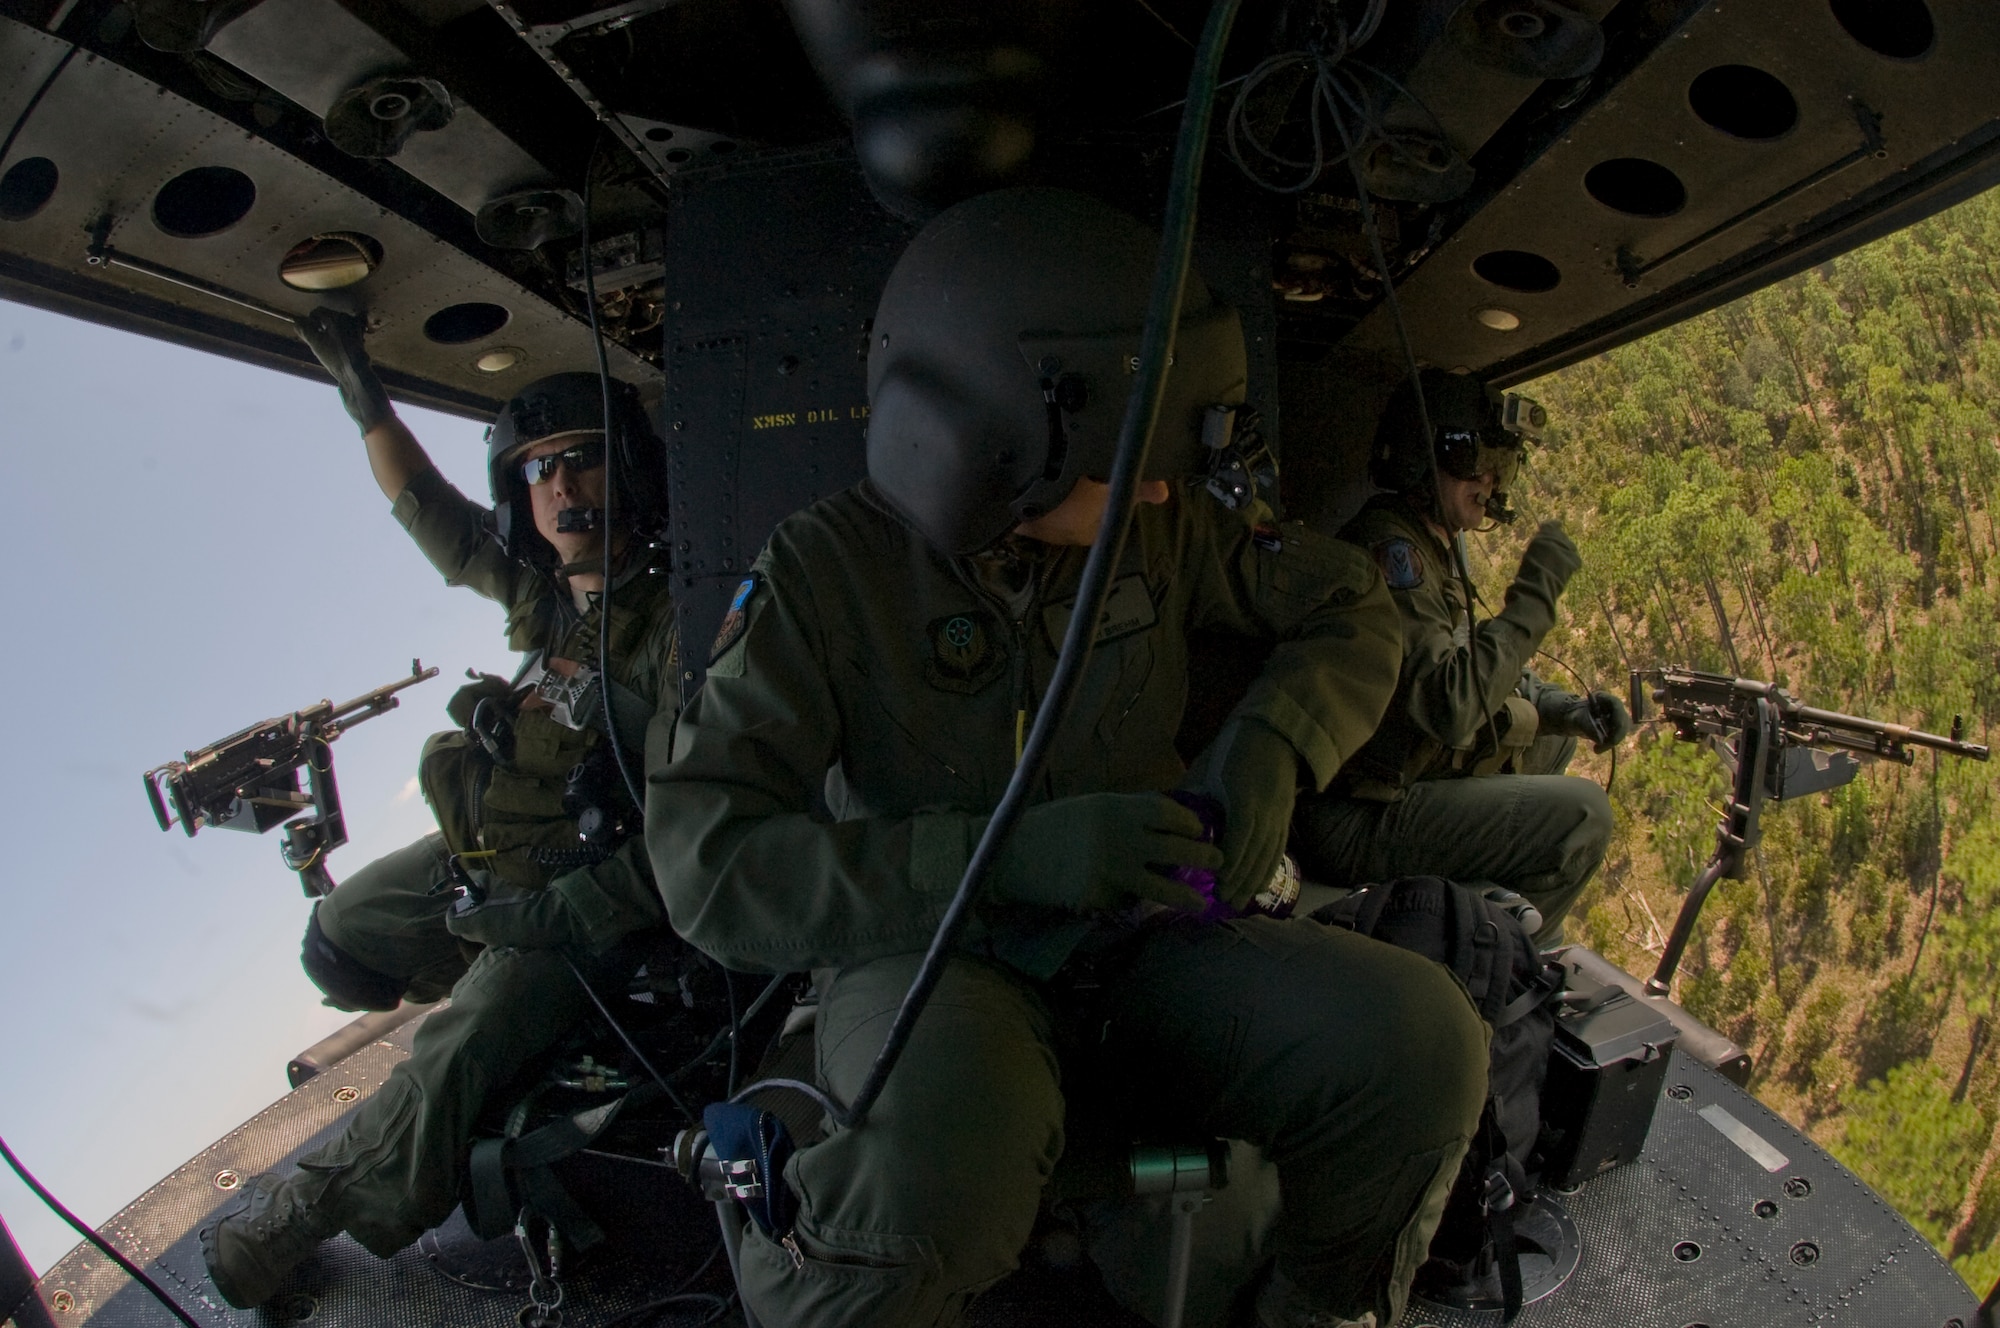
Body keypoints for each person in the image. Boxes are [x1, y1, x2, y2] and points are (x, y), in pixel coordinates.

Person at [649, 189, 1487, 1328]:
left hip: (1141, 936)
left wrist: (1275, 744)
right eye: (1125, 456)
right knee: (932, 1175)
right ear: (996, 438)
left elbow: (1349, 602)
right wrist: (997, 859)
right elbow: (709, 863)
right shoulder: (823, 573)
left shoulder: (1165, 524)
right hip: (936, 956)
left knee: (1416, 1040)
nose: (1154, 484)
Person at [200, 311, 680, 1308]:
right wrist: (360, 389)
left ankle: (310, 1202)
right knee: (339, 941)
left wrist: (545, 924)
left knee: (465, 1038)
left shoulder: (682, 615)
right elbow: (426, 508)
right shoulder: (545, 600)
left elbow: (692, 824)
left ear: (629, 469)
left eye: (583, 460)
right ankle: (483, 971)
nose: (561, 486)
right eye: (540, 469)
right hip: (484, 856)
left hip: (590, 894)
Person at [1291, 369, 1631, 944]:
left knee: (1553, 737)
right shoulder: (1390, 551)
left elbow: (1476, 664)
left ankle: (1470, 914)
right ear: (1423, 460)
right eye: (1472, 459)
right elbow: (1450, 703)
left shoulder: (1429, 543)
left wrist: (1565, 709)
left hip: (1392, 778)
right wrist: (1533, 602)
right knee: (1584, 816)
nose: (1490, 479)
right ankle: (1489, 969)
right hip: (1349, 814)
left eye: (1501, 464)